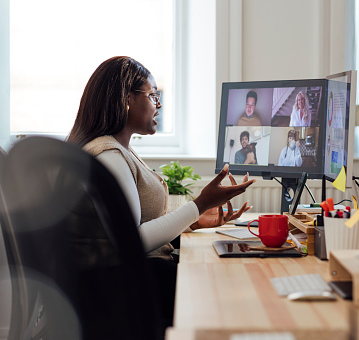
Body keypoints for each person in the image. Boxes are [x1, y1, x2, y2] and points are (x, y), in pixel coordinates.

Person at [67, 56, 255, 329]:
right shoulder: (110, 155)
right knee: (229, 288)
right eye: (152, 95)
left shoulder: (117, 150)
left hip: (127, 280)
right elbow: (133, 240)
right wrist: (199, 205)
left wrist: (193, 220)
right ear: (125, 99)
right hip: (128, 287)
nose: (159, 104)